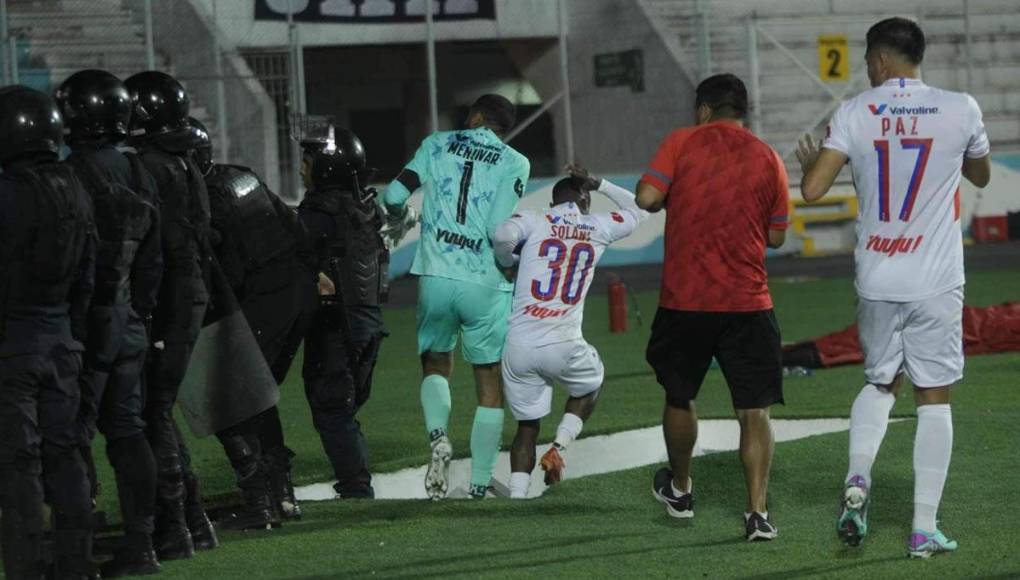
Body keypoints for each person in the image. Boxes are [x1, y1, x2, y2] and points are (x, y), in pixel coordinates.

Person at [796, 17, 991, 557]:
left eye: (867, 61)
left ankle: (858, 476)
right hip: (935, 280)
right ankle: (923, 528)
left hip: (878, 278)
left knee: (881, 383)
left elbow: (812, 190)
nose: (867, 70)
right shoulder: (961, 108)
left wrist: (814, 164)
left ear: (880, 60)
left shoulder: (855, 111)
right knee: (934, 397)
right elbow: (980, 176)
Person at [636, 73, 790, 541]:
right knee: (755, 410)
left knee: (680, 394)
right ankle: (757, 513)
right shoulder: (769, 157)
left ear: (703, 110)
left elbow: (647, 197)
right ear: (742, 112)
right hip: (748, 301)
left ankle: (681, 490)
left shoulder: (682, 142)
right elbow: (777, 236)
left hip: (686, 300)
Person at [383, 94, 530, 499]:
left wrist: (401, 218)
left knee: (435, 362)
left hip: (436, 276)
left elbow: (392, 197)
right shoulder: (514, 161)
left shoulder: (436, 143)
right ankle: (479, 484)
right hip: (484, 281)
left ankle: (438, 437)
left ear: (477, 116)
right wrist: (512, 264)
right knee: (489, 381)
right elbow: (498, 229)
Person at [56, 69, 164, 577]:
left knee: (71, 436)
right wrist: (138, 312)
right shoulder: (139, 171)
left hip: (84, 327)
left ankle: (79, 546)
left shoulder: (69, 174)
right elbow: (154, 260)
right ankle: (142, 543)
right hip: (130, 323)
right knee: (128, 431)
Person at [189, 117, 317, 524]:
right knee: (256, 398)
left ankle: (260, 500)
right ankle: (282, 495)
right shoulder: (241, 176)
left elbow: (230, 271)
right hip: (295, 293)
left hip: (261, 302)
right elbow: (294, 227)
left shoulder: (201, 198)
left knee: (224, 399)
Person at [493, 166, 648, 499]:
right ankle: (559, 447)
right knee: (592, 383)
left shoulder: (535, 219)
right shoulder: (597, 226)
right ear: (585, 201)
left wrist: (508, 262)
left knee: (526, 427)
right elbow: (641, 209)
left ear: (553, 202)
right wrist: (601, 183)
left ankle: (517, 500)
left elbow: (503, 236)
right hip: (563, 343)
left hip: (520, 345)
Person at [0, 86, 97, 579]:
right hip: (63, 341)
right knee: (67, 457)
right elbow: (89, 276)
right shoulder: (73, 187)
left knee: (19, 466)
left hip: (13, 346)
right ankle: (76, 565)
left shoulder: (8, 194)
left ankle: (26, 568)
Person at [125, 70, 218, 559]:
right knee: (157, 412)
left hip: (168, 301)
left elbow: (151, 249)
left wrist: (144, 310)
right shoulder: (181, 163)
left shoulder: (150, 168)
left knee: (152, 413)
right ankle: (193, 521)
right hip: (186, 296)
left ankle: (178, 526)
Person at [298, 123, 389, 500]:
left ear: (325, 169)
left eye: (307, 163)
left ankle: (356, 490)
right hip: (369, 324)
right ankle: (356, 482)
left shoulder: (319, 215)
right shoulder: (366, 209)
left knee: (332, 409)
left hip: (337, 327)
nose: (301, 170)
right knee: (342, 409)